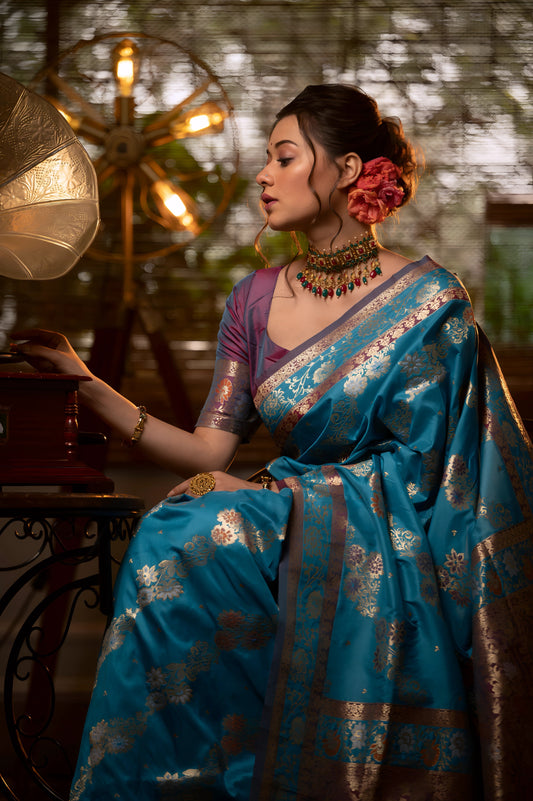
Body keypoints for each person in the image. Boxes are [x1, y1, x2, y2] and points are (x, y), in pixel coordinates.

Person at [14, 84, 533, 801]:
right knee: (174, 524)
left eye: (284, 157)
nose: (263, 174)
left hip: (390, 537)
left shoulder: (425, 301)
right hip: (288, 516)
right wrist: (87, 383)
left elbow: (429, 472)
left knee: (201, 526)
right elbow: (208, 452)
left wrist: (284, 497)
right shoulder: (253, 301)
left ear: (347, 170)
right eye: (266, 157)